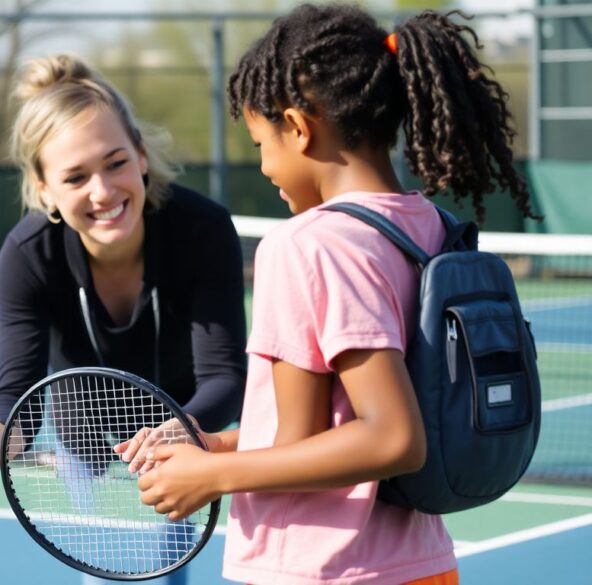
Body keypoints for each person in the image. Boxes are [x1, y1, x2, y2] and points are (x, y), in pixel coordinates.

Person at [135, 5, 540, 585]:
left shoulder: (305, 245)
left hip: (318, 570)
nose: (265, 165)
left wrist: (210, 477)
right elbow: (316, 434)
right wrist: (218, 447)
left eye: (259, 143)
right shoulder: (434, 228)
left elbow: (393, 436)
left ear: (299, 127)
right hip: (422, 565)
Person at [0, 54, 249, 585]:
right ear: (44, 189)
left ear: (142, 155)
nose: (103, 192)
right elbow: (17, 388)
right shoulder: (27, 257)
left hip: (184, 426)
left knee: (165, 571)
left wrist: (184, 431)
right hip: (84, 438)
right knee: (111, 575)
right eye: (75, 177)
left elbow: (224, 376)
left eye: (116, 162)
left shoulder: (203, 230)